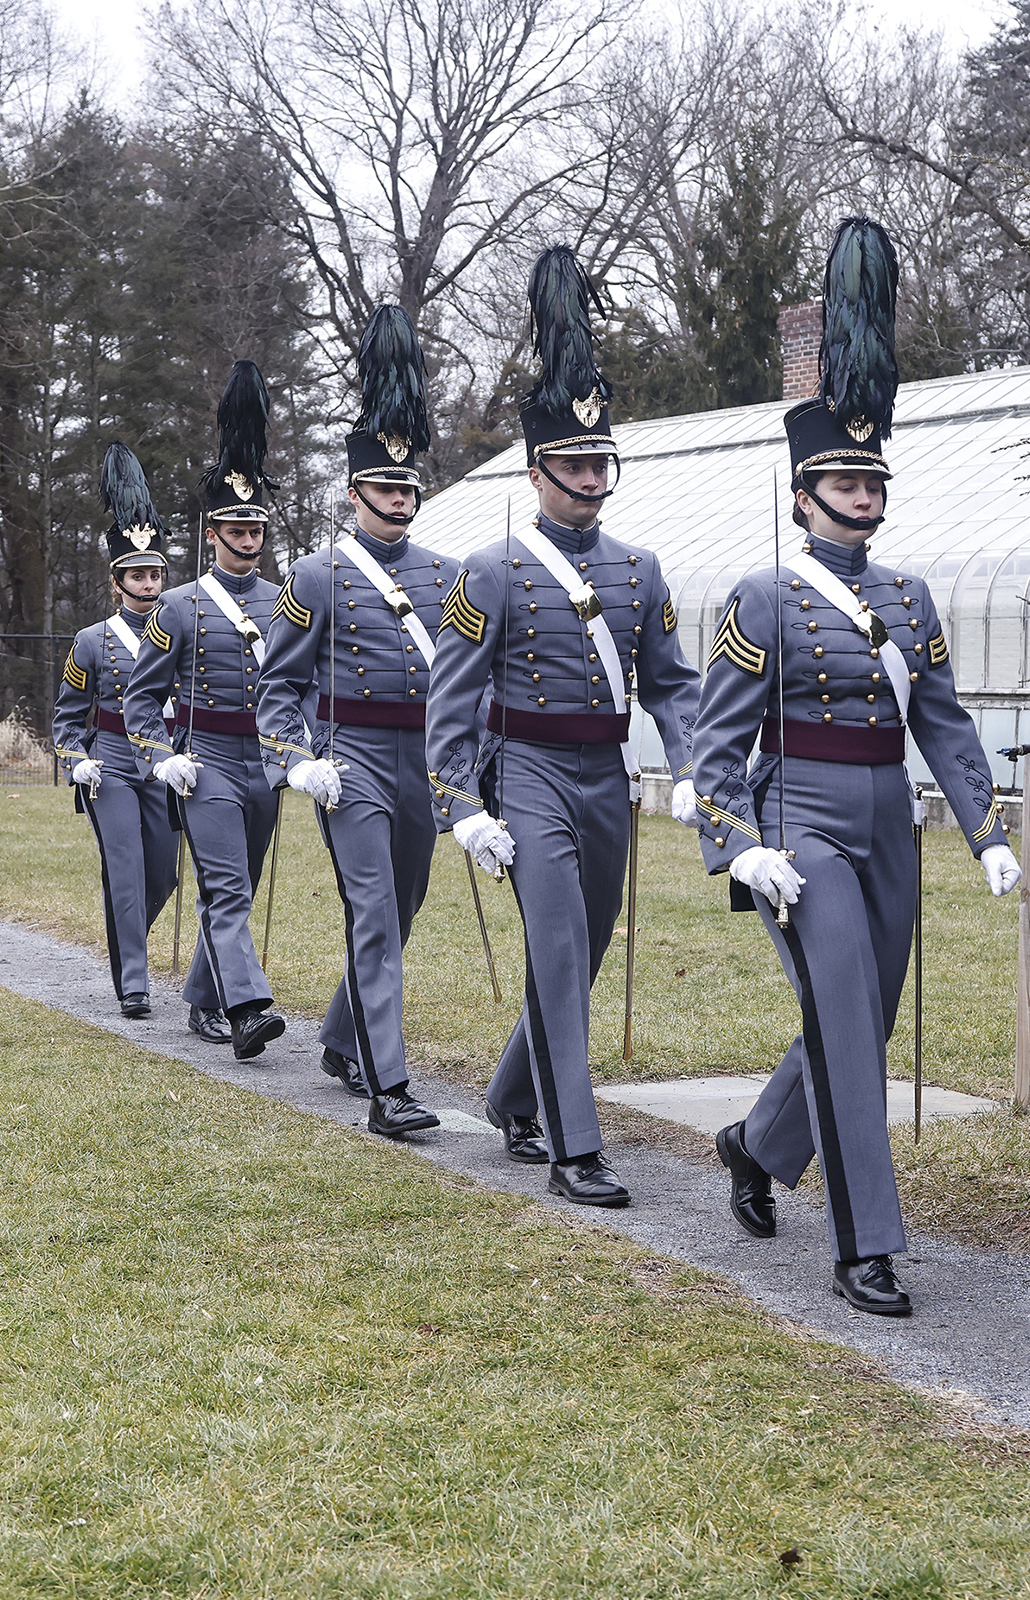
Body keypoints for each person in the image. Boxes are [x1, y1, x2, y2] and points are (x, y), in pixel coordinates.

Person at [690, 218, 1019, 1316]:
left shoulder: (910, 597)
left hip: (891, 818)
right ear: (802, 493)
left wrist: (990, 831)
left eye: (873, 478)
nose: (864, 495)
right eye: (843, 479)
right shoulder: (763, 596)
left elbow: (948, 723)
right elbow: (716, 741)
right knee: (843, 1014)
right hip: (806, 823)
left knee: (859, 1016)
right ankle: (865, 1243)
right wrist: (739, 846)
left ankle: (755, 1144)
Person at [425, 246, 701, 1206]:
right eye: (573, 465)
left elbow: (672, 683)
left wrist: (697, 764)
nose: (589, 480)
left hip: (605, 779)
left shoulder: (640, 569)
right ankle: (571, 1144)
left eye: (599, 463)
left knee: (584, 942)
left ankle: (511, 1093)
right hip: (528, 773)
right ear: (538, 470)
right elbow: (452, 696)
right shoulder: (491, 569)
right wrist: (459, 803)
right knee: (555, 942)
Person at [258, 305, 449, 1137]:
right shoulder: (318, 573)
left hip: (426, 757)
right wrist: (297, 760)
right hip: (355, 758)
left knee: (402, 907)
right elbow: (276, 685)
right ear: (353, 491)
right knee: (372, 911)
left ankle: (342, 1035)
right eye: (385, 487)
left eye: (409, 488)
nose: (399, 499)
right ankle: (389, 1085)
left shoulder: (447, 575)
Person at [122, 360, 288, 1060]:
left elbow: (299, 691)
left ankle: (200, 997)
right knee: (225, 887)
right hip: (209, 762)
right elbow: (138, 701)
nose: (248, 541)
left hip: (264, 765)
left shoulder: (286, 602)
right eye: (235, 530)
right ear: (213, 532)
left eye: (256, 529)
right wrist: (165, 758)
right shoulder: (180, 606)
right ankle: (248, 1007)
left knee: (238, 887)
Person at [53, 442, 181, 1019]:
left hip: (166, 764)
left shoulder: (183, 628)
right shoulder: (90, 640)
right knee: (125, 868)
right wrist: (74, 758)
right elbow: (66, 716)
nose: (149, 583)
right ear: (117, 581)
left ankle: (121, 932)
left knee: (165, 873)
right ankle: (135, 980)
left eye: (155, 573)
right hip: (111, 766)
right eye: (137, 574)